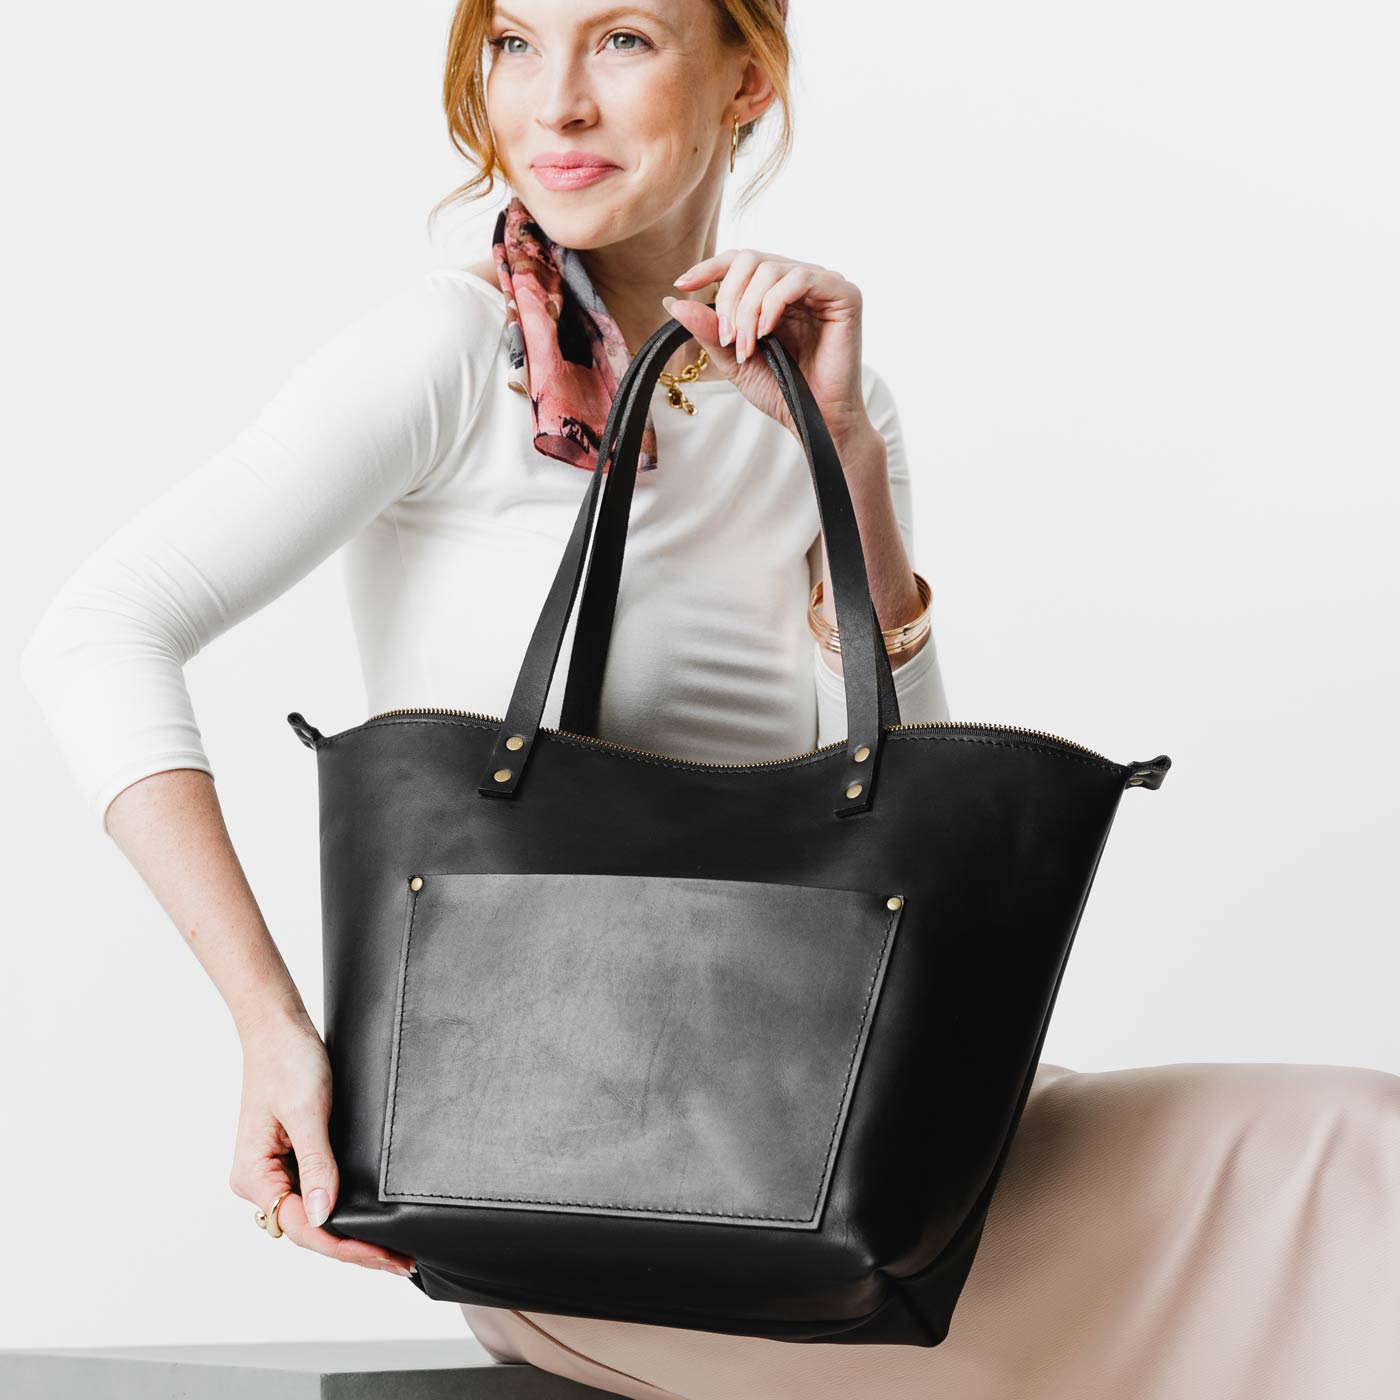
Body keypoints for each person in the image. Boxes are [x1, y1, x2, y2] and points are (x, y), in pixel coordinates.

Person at [17, 2, 1399, 1397]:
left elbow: (911, 803)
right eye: (514, 42)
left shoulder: (820, 396)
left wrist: (840, 447)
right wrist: (270, 1029)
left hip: (842, 1123)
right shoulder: (453, 355)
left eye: (621, 38)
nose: (555, 101)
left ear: (747, 77)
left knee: (1357, 1143)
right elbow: (103, 628)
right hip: (587, 1186)